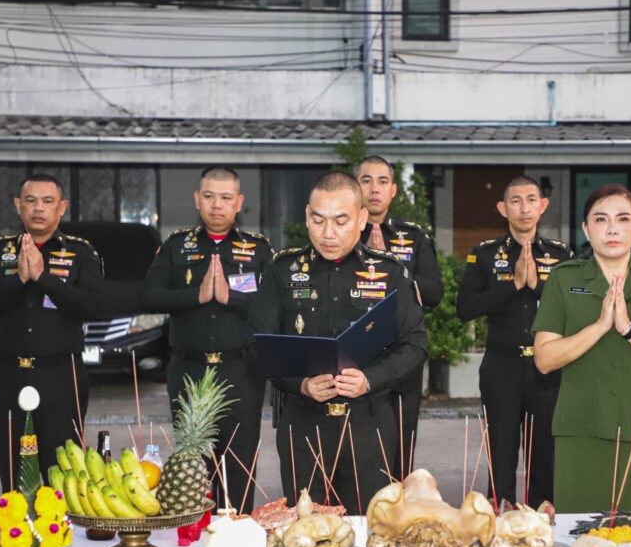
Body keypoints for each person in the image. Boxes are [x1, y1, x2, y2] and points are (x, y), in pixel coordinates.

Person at [249, 171, 427, 515]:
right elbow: (256, 345)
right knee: (305, 526)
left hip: (368, 424)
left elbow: (416, 344)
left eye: (340, 221)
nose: (327, 233)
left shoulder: (389, 272)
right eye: (318, 220)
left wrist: (369, 380)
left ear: (361, 219)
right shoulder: (282, 270)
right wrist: (300, 384)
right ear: (307, 216)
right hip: (303, 423)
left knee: (369, 524)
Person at [533, 183, 631, 513]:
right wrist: (599, 326)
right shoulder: (564, 279)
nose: (611, 229)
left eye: (622, 219)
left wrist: (628, 329)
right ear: (586, 229)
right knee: (581, 535)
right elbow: (545, 359)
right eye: (600, 219)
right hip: (582, 429)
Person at [141, 167, 273, 513]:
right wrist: (195, 297)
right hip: (189, 371)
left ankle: (237, 530)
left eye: (226, 198)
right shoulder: (176, 245)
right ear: (197, 200)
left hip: (240, 371)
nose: (217, 205)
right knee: (192, 467)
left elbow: (275, 306)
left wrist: (232, 298)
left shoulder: (258, 248)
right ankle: (195, 534)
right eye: (210, 196)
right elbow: (149, 296)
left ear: (239, 202)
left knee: (239, 463)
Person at [0, 174, 102, 491]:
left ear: (62, 207)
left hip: (61, 374)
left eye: (47, 201)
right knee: (13, 465)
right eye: (30, 200)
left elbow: (92, 306)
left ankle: (60, 522)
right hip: (9, 373)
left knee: (63, 468)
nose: (39, 208)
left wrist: (43, 277)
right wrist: (19, 280)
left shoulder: (81, 253)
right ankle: (15, 520)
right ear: (18, 205)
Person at [457, 176, 571, 507]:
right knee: (501, 452)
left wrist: (537, 286)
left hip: (546, 368)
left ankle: (541, 521)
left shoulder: (560, 255)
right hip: (501, 366)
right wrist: (513, 285)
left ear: (543, 206)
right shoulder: (485, 254)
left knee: (545, 456)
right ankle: (500, 519)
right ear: (502, 208)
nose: (524, 208)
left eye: (531, 200)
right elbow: (466, 307)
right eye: (516, 201)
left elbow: (574, 307)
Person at [355, 155, 442, 473]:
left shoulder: (413, 237)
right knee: (358, 449)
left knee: (402, 447)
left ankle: (399, 499)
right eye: (366, 181)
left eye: (382, 181)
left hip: (403, 354)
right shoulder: (343, 234)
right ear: (355, 188)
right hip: (358, 356)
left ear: (393, 190)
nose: (374, 189)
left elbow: (434, 292)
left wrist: (392, 269)